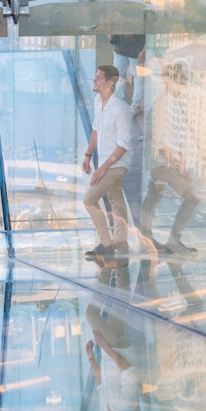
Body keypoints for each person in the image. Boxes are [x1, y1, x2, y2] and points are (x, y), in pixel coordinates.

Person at [140, 64, 199, 255]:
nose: (185, 82)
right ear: (171, 81)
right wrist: (177, 164)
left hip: (165, 162)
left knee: (153, 197)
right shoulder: (163, 104)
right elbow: (160, 143)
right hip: (162, 163)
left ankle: (145, 238)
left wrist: (181, 161)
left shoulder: (171, 102)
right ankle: (172, 241)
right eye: (181, 78)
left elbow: (173, 139)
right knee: (192, 197)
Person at [82, 65, 132, 265]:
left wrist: (103, 168)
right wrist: (88, 155)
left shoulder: (120, 109)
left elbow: (124, 144)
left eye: (98, 78)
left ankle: (106, 244)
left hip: (117, 163)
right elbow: (96, 130)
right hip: (104, 161)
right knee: (116, 199)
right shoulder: (97, 101)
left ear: (110, 83)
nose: (94, 81)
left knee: (89, 200)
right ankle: (121, 242)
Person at [108, 34, 145, 116]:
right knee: (118, 76)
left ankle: (136, 105)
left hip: (137, 48)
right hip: (120, 47)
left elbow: (150, 28)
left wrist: (144, 50)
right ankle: (119, 102)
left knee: (138, 77)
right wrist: (111, 36)